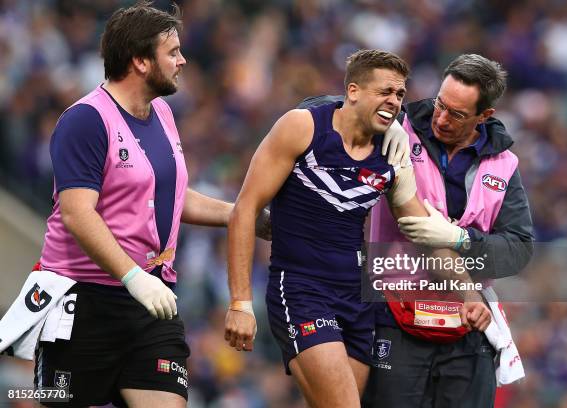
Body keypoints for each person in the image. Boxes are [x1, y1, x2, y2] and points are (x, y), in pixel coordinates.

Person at [8, 2, 259, 407]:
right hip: (84, 303)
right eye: (173, 52)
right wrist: (132, 277)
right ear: (140, 61)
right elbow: (76, 213)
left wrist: (237, 215)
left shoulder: (161, 112)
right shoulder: (85, 120)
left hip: (153, 303)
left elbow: (172, 196)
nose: (183, 60)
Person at [223, 49, 491, 408]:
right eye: (384, 91)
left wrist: (470, 294)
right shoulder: (303, 127)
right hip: (302, 290)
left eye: (399, 94)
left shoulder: (393, 154)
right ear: (352, 91)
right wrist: (241, 302)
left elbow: (424, 235)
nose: (394, 102)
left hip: (357, 299)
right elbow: (245, 209)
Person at [361, 54, 535, 407]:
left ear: (484, 116)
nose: (441, 118)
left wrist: (462, 240)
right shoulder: (396, 127)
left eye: (456, 114)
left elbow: (519, 250)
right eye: (440, 103)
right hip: (395, 314)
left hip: (467, 324)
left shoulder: (504, 165)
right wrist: (384, 123)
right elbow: (327, 108)